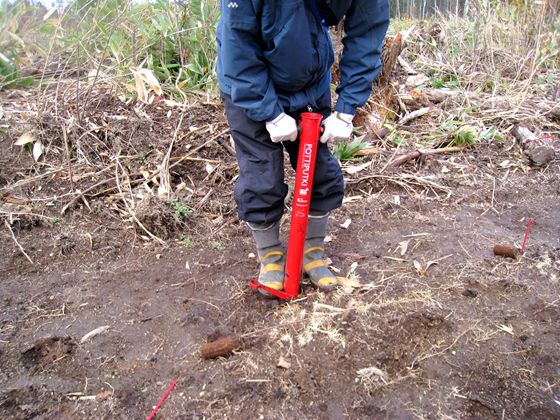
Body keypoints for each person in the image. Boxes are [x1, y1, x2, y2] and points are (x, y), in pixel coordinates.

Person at [216, 0, 390, 294]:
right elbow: (237, 45)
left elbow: (367, 33)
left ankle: (311, 251)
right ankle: (270, 256)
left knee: (320, 172)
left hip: (308, 83)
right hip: (246, 85)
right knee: (262, 177)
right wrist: (270, 113)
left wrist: (346, 110)